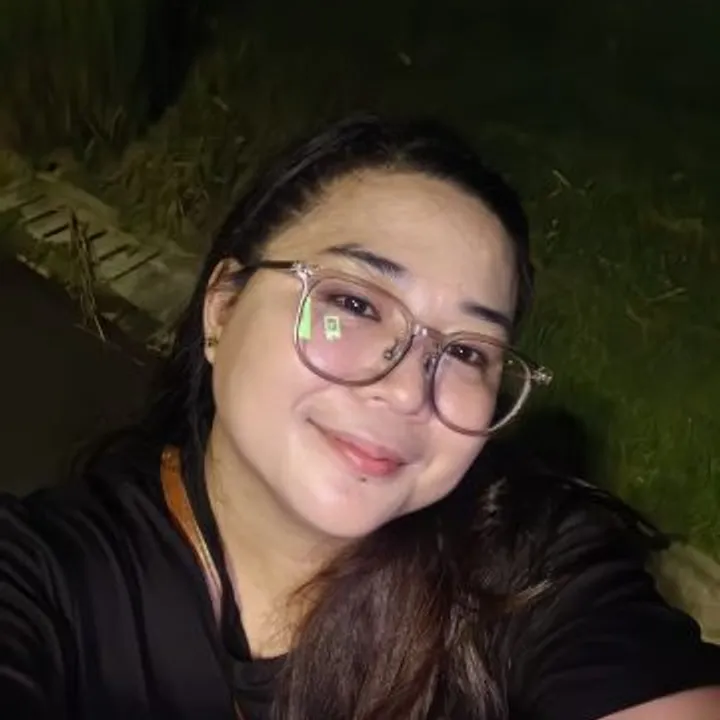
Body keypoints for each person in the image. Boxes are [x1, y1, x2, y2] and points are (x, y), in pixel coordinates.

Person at [1, 115, 719, 720]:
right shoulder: (46, 582)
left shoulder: (522, 569)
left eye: (466, 350)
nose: (407, 391)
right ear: (222, 307)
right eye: (354, 303)